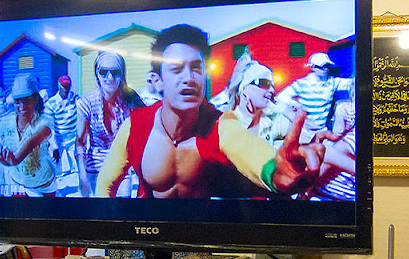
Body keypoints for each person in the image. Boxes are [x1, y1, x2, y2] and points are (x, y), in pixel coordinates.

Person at [96, 24, 332, 199]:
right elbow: (106, 184)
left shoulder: (220, 124)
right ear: (158, 81)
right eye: (176, 70)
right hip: (147, 242)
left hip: (200, 246)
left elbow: (246, 147)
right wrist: (100, 243)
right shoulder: (137, 125)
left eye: (196, 68)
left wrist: (275, 170)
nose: (189, 78)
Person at [75, 51, 144, 196]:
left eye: (115, 72)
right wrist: (82, 177)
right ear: (97, 75)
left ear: (121, 74)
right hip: (95, 166)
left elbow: (147, 126)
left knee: (122, 211)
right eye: (104, 72)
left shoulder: (130, 99)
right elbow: (80, 142)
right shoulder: (87, 102)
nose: (110, 78)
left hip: (121, 165)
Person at [0, 74, 56, 197]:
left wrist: (14, 160)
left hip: (43, 184)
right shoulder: (5, 123)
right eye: (18, 102)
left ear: (36, 99)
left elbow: (31, 143)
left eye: (27, 100)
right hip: (18, 182)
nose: (22, 107)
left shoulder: (44, 122)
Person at [275, 52, 354, 143]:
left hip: (322, 130)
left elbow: (352, 84)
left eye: (327, 66)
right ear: (313, 67)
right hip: (303, 131)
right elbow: (281, 97)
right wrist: (296, 104)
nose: (325, 69)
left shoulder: (332, 82)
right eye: (321, 66)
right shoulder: (302, 83)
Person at [43, 75, 78, 176]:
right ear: (59, 86)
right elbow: (49, 127)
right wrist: (54, 146)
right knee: (57, 170)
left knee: (76, 170)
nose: (66, 89)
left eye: (68, 86)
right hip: (59, 138)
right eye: (63, 86)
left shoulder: (75, 99)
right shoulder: (51, 103)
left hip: (73, 137)